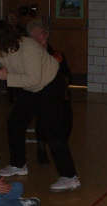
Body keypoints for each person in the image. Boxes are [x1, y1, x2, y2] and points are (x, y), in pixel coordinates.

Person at [0, 20, 80, 192]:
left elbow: (35, 79)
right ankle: (19, 164)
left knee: (52, 130)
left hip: (51, 84)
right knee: (15, 122)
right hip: (31, 87)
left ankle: (70, 177)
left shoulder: (29, 47)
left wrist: (7, 77)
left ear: (3, 40)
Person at [26, 19, 73, 164]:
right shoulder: (28, 56)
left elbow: (67, 75)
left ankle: (59, 146)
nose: (35, 39)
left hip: (59, 96)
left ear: (45, 35)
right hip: (40, 95)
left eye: (38, 35)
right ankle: (42, 148)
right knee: (43, 120)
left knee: (66, 122)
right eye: (31, 36)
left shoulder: (57, 55)